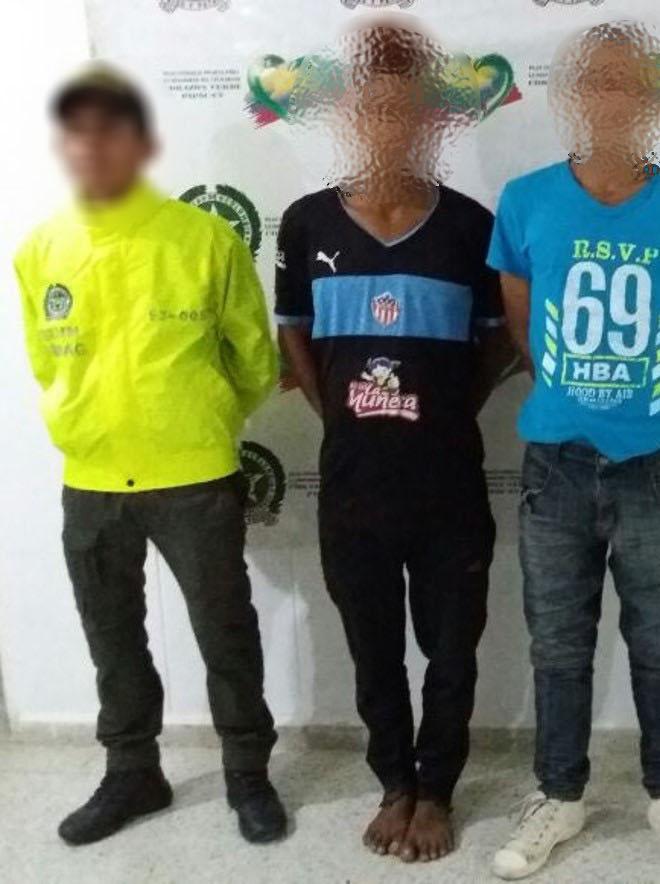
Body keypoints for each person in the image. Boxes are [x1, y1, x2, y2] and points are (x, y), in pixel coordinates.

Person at [12, 64, 287, 846]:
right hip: (92, 481)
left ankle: (248, 774)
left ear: (140, 142)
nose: (91, 147)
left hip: (194, 477)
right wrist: (85, 427)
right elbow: (46, 363)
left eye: (109, 130)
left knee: (225, 634)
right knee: (112, 638)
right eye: (76, 133)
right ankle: (133, 772)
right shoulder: (40, 250)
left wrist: (199, 421)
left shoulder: (204, 239)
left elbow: (254, 361)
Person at [484, 20, 660, 880]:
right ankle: (559, 793)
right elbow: (522, 325)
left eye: (628, 83)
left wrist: (658, 402)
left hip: (653, 463)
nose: (610, 99)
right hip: (556, 461)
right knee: (558, 641)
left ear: (653, 99)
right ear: (573, 97)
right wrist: (575, 392)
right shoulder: (526, 200)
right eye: (595, 82)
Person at [275, 21, 510, 864]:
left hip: (448, 484)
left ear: (429, 121)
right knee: (372, 651)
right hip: (352, 485)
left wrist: (450, 410)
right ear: (351, 116)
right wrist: (338, 415)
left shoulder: (472, 228)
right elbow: (294, 332)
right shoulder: (305, 225)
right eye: (374, 110)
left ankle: (437, 788)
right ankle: (394, 784)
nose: (390, 126)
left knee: (451, 653)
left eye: (406, 111)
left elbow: (500, 343)